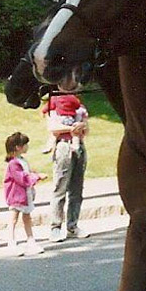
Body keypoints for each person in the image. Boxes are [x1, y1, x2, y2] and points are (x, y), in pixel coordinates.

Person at [44, 93, 89, 242]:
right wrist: (72, 128)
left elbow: (86, 130)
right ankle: (55, 227)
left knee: (77, 189)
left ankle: (73, 225)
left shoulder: (78, 106)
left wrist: (81, 126)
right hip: (63, 146)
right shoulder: (54, 105)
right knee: (60, 188)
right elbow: (52, 128)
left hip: (79, 147)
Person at [2, 132, 44, 256]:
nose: (27, 146)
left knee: (27, 217)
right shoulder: (14, 163)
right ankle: (11, 240)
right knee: (14, 218)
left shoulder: (21, 161)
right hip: (16, 195)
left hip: (25, 194)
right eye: (25, 144)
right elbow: (22, 178)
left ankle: (30, 240)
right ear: (18, 147)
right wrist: (37, 177)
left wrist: (33, 174)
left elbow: (27, 174)